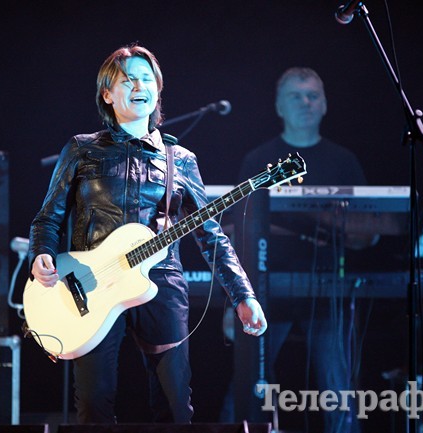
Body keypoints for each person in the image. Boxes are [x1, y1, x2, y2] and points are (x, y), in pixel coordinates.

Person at [27, 44, 267, 424]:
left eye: (146, 79)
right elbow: (47, 219)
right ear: (108, 94)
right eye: (127, 80)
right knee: (94, 402)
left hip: (162, 281)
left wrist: (243, 295)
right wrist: (41, 254)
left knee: (175, 404)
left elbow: (211, 235)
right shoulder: (82, 149)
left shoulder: (180, 160)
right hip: (90, 284)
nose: (139, 86)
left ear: (157, 89)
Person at [234, 67, 374, 433]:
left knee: (339, 390)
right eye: (295, 96)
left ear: (325, 104)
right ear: (279, 106)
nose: (305, 102)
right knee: (245, 389)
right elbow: (237, 233)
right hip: (266, 290)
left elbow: (367, 228)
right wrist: (236, 298)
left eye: (312, 95)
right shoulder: (258, 159)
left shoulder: (343, 161)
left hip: (328, 291)